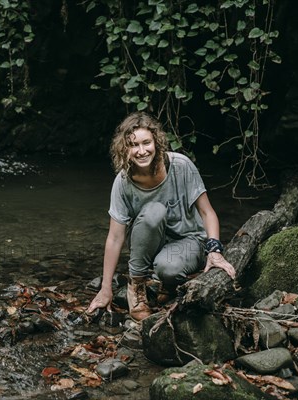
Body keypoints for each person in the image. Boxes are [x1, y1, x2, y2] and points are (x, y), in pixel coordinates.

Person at [86, 112, 236, 322]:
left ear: (156, 141)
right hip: (151, 243)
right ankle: (136, 286)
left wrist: (215, 251)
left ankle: (166, 282)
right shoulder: (122, 182)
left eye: (146, 142)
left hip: (189, 240)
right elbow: (115, 237)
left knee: (168, 269)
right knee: (154, 211)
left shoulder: (181, 166)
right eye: (133, 145)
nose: (141, 151)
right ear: (124, 149)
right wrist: (105, 288)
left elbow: (207, 212)